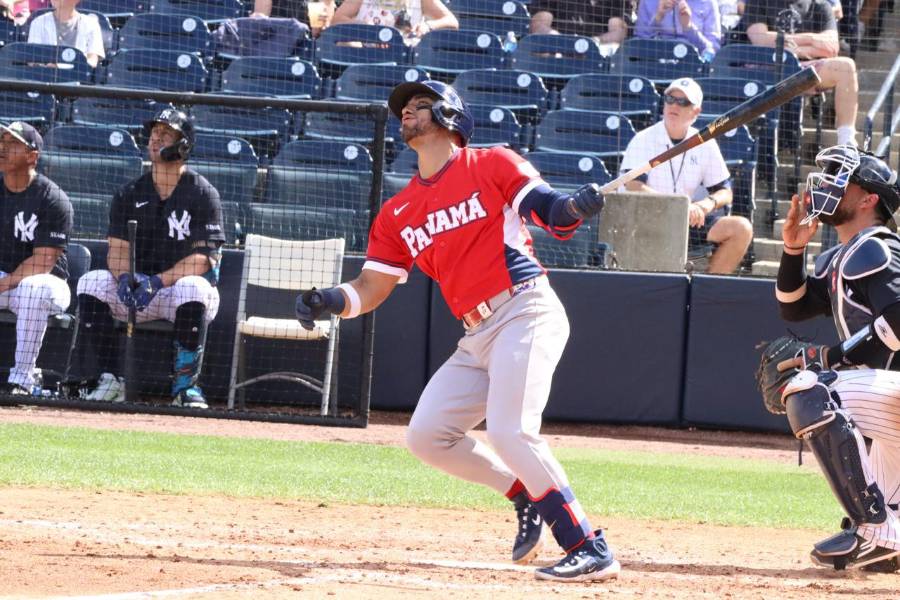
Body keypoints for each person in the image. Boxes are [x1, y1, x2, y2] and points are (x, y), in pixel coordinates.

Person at [294, 80, 616, 582]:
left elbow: (548, 212)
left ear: (448, 116)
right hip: (477, 333)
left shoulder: (492, 163)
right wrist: (329, 300)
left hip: (524, 310)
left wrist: (573, 208)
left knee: (511, 431)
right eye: (403, 109)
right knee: (427, 436)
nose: (407, 114)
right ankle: (523, 494)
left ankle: (587, 544)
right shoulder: (398, 212)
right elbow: (371, 286)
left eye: (419, 105)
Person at [774, 144, 900, 570]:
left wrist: (829, 356)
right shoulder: (847, 253)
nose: (826, 186)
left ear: (868, 199)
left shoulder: (875, 248)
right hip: (889, 402)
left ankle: (874, 530)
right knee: (892, 547)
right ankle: (886, 537)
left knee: (810, 389)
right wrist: (793, 250)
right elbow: (793, 306)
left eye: (840, 180)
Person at [74, 109, 225, 409]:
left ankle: (186, 388)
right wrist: (124, 278)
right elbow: (116, 250)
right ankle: (111, 379)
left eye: (165, 135)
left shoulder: (203, 194)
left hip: (180, 293)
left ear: (183, 145)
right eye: (154, 134)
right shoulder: (130, 193)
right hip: (137, 291)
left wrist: (157, 281)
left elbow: (202, 260)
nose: (156, 139)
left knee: (193, 286)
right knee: (91, 282)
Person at [619, 78, 753, 274]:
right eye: (670, 99)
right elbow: (634, 186)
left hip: (685, 221)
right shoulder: (643, 139)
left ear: (696, 112)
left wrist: (704, 205)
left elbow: (725, 191)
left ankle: (707, 293)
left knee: (741, 228)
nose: (674, 105)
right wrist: (677, 205)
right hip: (646, 221)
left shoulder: (704, 141)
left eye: (683, 102)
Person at [0, 122, 72, 395]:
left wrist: (5, 284)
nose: (3, 147)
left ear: (32, 156)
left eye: (13, 143)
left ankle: (22, 380)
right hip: (5, 279)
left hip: (47, 284)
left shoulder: (52, 198)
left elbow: (44, 261)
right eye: (2, 141)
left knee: (32, 289)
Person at [744, 0, 859, 146]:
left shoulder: (821, 5)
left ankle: (846, 141)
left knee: (846, 66)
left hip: (804, 69)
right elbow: (760, 39)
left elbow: (831, 46)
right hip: (768, 68)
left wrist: (794, 47)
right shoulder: (759, 2)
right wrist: (813, 43)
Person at [331, 0, 458, 44]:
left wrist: (427, 26)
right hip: (367, 50)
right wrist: (364, 27)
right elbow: (336, 20)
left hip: (405, 55)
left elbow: (451, 22)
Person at [26, 0, 104, 68]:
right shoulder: (38, 22)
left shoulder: (91, 24)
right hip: (44, 79)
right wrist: (46, 67)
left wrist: (63, 67)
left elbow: (93, 60)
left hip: (79, 80)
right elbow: (32, 59)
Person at [635, 0, 723, 57]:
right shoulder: (648, 1)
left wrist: (688, 27)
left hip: (694, 67)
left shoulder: (708, 2)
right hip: (656, 62)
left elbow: (713, 50)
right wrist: (658, 18)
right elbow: (638, 44)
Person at [529, 0, 629, 44]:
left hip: (598, 52)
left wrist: (593, 43)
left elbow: (618, 32)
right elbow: (539, 25)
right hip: (557, 48)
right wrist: (563, 41)